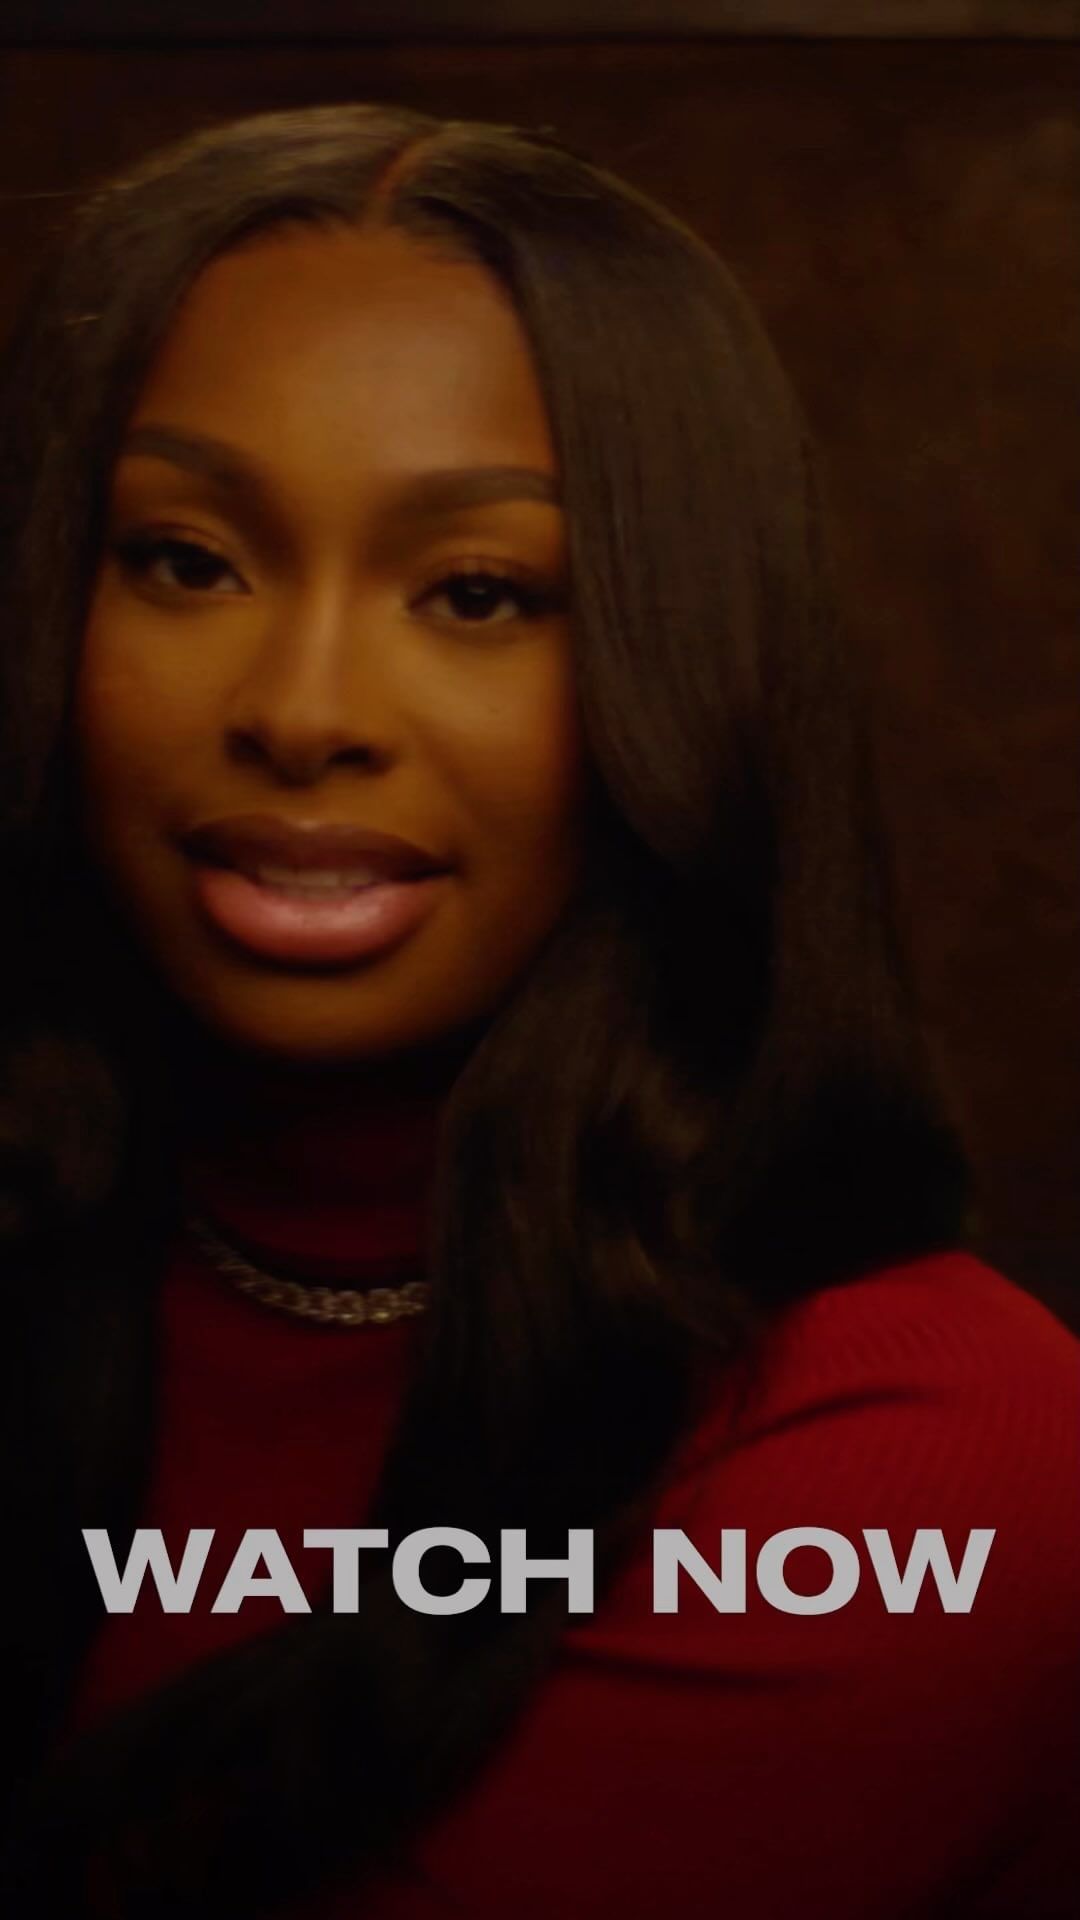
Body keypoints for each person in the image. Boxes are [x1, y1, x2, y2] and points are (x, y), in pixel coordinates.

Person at [0, 101, 1075, 1920]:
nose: (304, 708)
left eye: (480, 592)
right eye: (187, 559)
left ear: (681, 673)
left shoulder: (939, 1456)